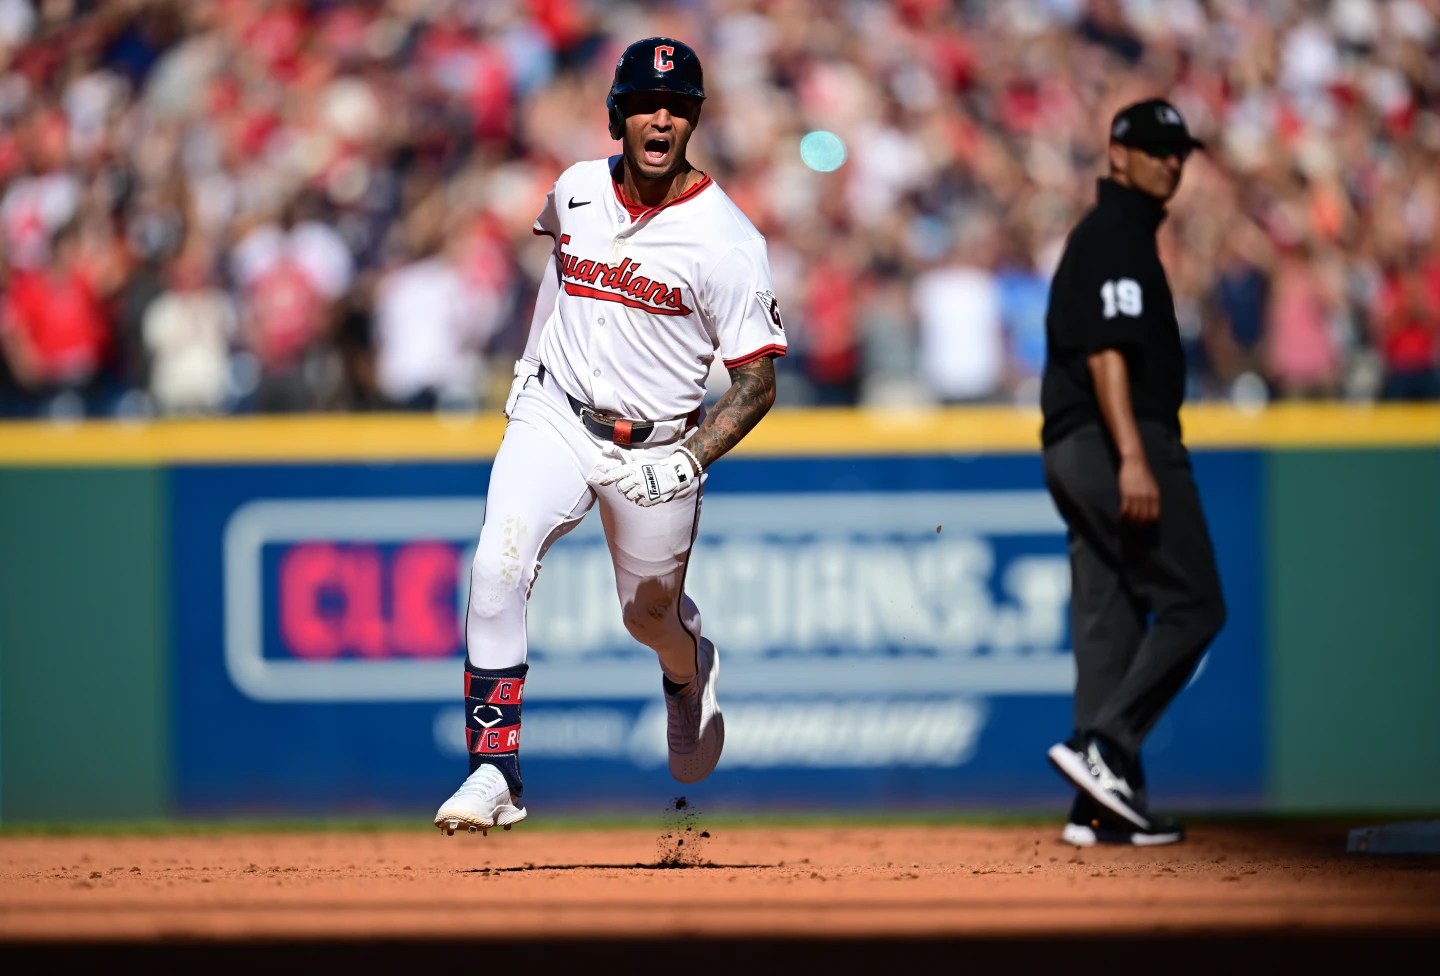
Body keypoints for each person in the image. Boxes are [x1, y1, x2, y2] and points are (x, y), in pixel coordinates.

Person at [433, 37, 787, 835]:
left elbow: (758, 383)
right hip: (557, 413)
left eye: (678, 106)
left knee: (647, 617)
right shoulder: (577, 188)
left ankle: (687, 668)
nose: (661, 119)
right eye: (645, 104)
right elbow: (559, 263)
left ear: (695, 118)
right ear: (616, 115)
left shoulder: (727, 239)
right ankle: (494, 769)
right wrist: (531, 362)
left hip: (659, 443)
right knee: (497, 562)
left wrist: (687, 460)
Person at [1039, 98, 1227, 846]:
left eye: (1179, 151)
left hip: (1075, 445)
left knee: (1109, 616)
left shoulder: (1116, 233)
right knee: (1194, 604)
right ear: (1117, 153)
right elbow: (1107, 353)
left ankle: (1100, 806)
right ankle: (1107, 748)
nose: (1171, 162)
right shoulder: (1115, 233)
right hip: (1115, 440)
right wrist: (1133, 457)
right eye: (1155, 149)